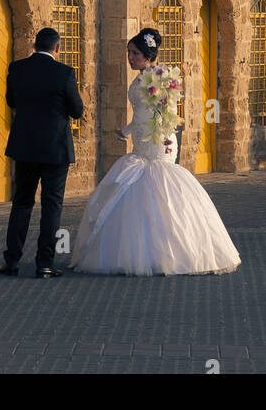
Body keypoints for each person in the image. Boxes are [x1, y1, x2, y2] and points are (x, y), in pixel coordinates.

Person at [71, 26, 241, 276]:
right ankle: (148, 248)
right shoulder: (143, 77)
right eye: (129, 52)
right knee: (139, 186)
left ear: (148, 55)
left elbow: (161, 111)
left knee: (158, 181)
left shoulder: (159, 77)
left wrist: (148, 131)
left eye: (135, 53)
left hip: (158, 138)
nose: (130, 57)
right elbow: (141, 112)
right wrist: (127, 131)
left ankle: (168, 250)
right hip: (144, 137)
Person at [0, 26, 84, 279]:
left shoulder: (16, 69)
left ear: (34, 46)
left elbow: (11, 101)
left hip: (24, 147)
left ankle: (12, 260)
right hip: (55, 149)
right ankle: (44, 263)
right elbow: (77, 110)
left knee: (22, 203)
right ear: (57, 48)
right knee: (52, 205)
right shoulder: (65, 73)